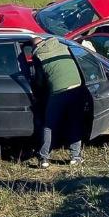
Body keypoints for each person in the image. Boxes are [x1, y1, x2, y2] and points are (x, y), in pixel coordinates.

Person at [30, 36, 85, 169]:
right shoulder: (63, 46)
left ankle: (44, 158)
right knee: (74, 122)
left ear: (35, 47)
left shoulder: (39, 56)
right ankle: (75, 157)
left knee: (49, 125)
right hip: (77, 87)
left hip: (58, 92)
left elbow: (39, 81)